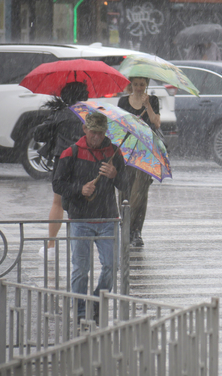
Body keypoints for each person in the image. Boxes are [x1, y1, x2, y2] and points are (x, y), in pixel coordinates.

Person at [52, 111, 128, 322]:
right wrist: (79, 190)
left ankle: (95, 301)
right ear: (85, 130)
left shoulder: (113, 152)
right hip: (80, 220)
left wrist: (115, 175)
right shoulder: (71, 152)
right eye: (93, 132)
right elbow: (57, 184)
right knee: (81, 269)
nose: (97, 137)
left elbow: (125, 185)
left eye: (101, 133)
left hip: (108, 219)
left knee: (112, 266)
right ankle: (79, 312)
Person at [34, 81, 88, 260]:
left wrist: (53, 129)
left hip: (62, 162)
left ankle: (50, 246)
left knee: (57, 202)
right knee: (80, 202)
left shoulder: (60, 114)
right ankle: (79, 246)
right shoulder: (90, 114)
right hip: (84, 161)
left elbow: (38, 134)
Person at [117, 77, 160, 246]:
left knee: (140, 191)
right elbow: (120, 124)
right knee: (125, 190)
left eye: (142, 84)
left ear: (146, 85)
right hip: (126, 150)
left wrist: (147, 105)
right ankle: (126, 226)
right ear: (131, 85)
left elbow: (156, 123)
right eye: (136, 84)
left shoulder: (153, 100)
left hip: (146, 151)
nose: (139, 88)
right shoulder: (123, 101)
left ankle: (134, 230)